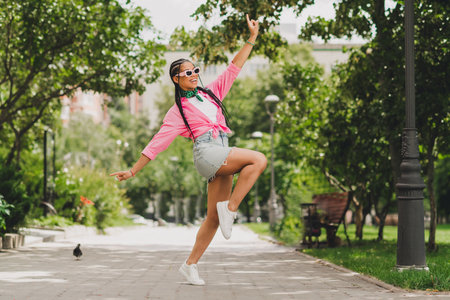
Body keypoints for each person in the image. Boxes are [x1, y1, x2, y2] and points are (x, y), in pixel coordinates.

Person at [110, 14, 266, 286]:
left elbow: (234, 68)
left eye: (195, 70)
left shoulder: (211, 94)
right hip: (207, 154)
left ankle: (190, 264)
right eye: (187, 73)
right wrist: (133, 171)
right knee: (258, 159)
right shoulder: (177, 111)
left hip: (222, 151)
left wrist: (251, 39)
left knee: (213, 219)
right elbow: (158, 142)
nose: (194, 75)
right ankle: (231, 208)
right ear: (176, 79)